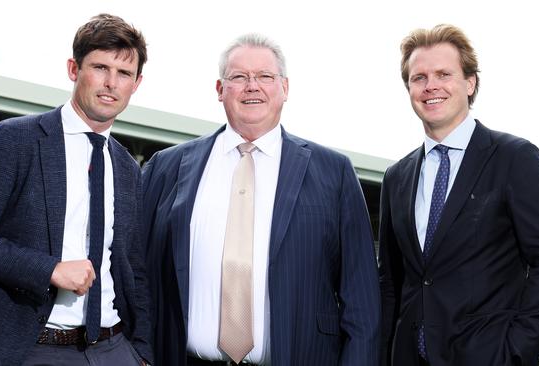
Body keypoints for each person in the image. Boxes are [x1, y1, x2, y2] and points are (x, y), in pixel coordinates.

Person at [142, 33, 380, 366]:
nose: (252, 86)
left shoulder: (334, 173)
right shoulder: (166, 168)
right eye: (238, 77)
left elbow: (362, 301)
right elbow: (137, 272)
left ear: (285, 88)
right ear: (219, 89)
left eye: (265, 77)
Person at [0, 13, 152, 366]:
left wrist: (142, 352)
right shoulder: (14, 139)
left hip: (113, 348)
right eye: (100, 67)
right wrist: (48, 269)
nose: (111, 83)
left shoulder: (128, 167)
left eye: (124, 73)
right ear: (74, 69)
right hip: (35, 346)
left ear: (136, 83)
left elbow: (133, 269)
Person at [378, 24, 539, 366]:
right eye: (419, 77)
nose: (431, 86)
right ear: (408, 87)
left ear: (470, 83)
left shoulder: (516, 158)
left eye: (443, 74)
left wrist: (516, 352)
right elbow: (392, 282)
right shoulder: (397, 177)